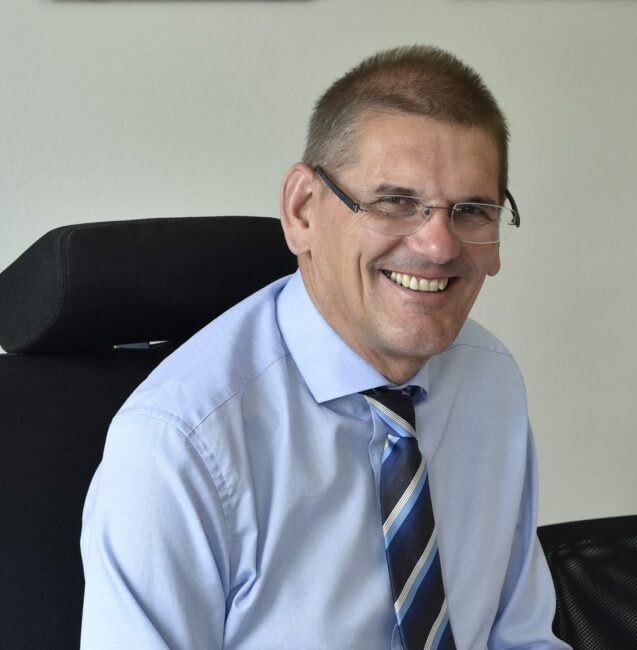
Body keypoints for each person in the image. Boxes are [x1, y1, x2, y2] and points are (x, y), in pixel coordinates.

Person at [80, 45, 569, 649]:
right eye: (396, 202)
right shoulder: (179, 443)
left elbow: (518, 638)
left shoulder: (488, 380)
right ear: (302, 211)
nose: (440, 247)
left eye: (471, 210)